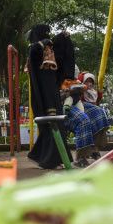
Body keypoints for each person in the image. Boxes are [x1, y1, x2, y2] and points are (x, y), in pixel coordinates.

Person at [26, 24, 73, 169]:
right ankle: (49, 160)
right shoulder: (35, 50)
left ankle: (49, 158)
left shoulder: (49, 50)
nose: (47, 36)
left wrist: (63, 38)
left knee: (56, 125)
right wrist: (42, 43)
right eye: (45, 33)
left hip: (52, 93)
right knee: (51, 125)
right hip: (44, 96)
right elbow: (34, 51)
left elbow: (60, 53)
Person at [63, 72, 109, 166]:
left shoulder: (92, 91)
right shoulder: (78, 86)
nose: (89, 84)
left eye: (91, 82)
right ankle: (81, 157)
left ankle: (94, 148)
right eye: (87, 81)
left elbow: (97, 99)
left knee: (100, 113)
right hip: (68, 102)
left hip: (79, 103)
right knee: (83, 120)